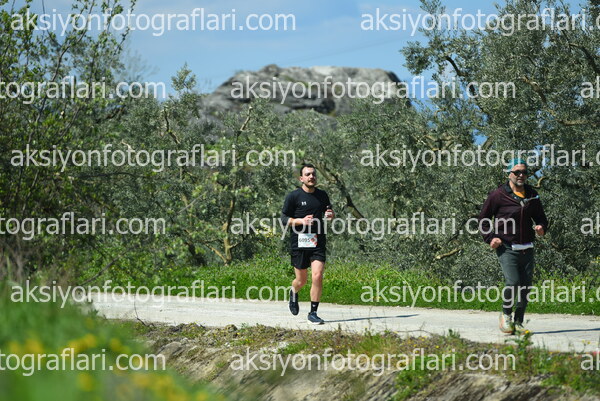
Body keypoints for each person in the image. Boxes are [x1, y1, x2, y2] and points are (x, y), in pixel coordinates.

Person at [479, 159, 548, 335]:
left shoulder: (532, 195)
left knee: (525, 287)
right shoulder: (498, 195)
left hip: (527, 247)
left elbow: (541, 218)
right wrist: (490, 238)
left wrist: (541, 227)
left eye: (524, 172)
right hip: (507, 247)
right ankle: (506, 314)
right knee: (513, 282)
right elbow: (483, 220)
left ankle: (518, 322)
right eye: (517, 172)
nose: (521, 175)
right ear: (509, 173)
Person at [281, 163, 334, 325]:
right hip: (299, 242)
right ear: (301, 178)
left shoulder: (322, 195)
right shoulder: (293, 196)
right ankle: (293, 291)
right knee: (301, 281)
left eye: (313, 174)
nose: (311, 177)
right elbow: (284, 219)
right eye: (308, 174)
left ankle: (313, 313)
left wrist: (330, 215)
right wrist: (301, 221)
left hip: (318, 241)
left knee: (317, 275)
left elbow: (329, 211)